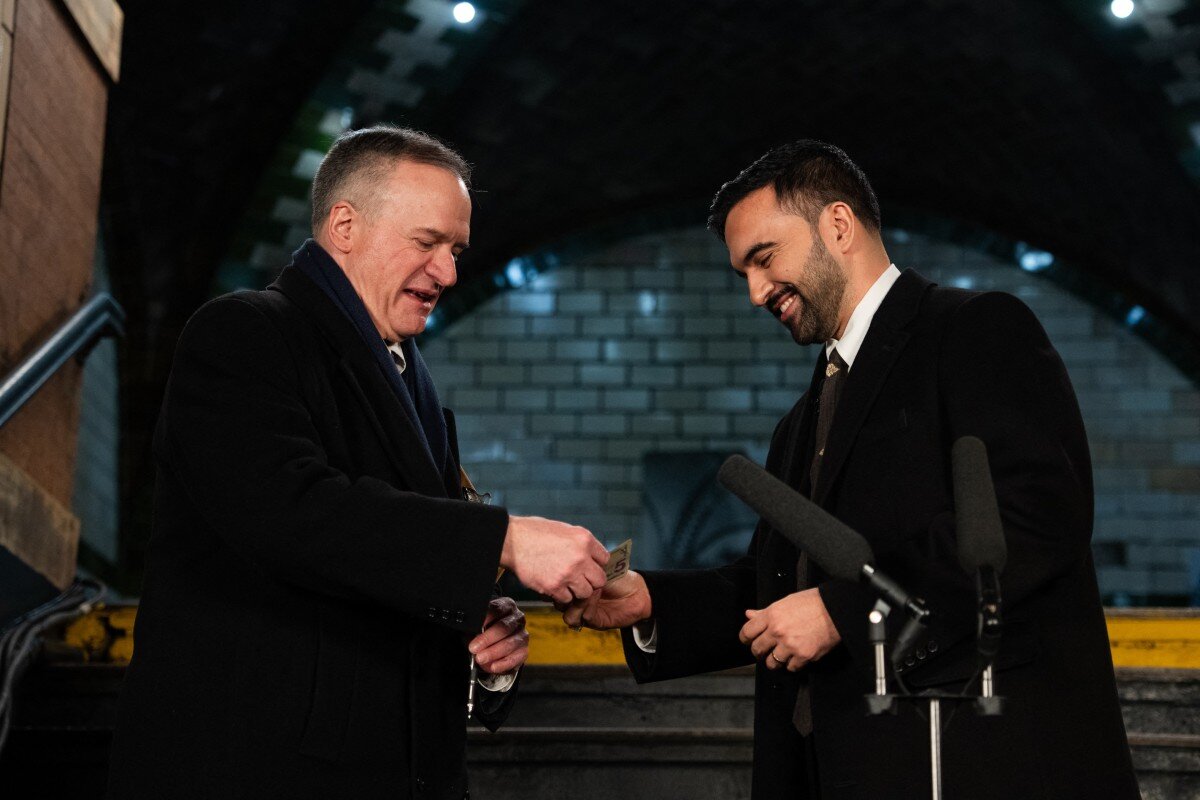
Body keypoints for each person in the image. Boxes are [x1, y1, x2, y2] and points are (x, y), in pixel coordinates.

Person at [566, 140, 1139, 799]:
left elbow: (1033, 517)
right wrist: (651, 603)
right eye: (742, 274)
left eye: (764, 258)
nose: (755, 293)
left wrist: (846, 611)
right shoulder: (800, 422)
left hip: (977, 763)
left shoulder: (977, 329)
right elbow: (778, 584)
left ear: (837, 225)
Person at [107, 125, 610, 800]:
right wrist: (504, 539)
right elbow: (292, 512)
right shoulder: (244, 333)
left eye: (457, 250)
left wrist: (478, 645)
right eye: (428, 243)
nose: (450, 273)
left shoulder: (415, 388)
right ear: (344, 225)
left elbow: (384, 572)